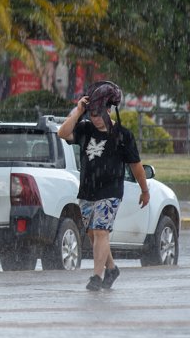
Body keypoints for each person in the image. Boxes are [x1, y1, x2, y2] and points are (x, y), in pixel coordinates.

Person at [57, 81, 149, 291]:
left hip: (111, 191)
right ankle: (112, 268)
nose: (94, 118)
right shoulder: (85, 129)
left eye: (97, 114)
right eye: (91, 114)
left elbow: (136, 165)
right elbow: (62, 133)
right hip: (88, 190)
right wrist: (79, 111)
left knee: (101, 231)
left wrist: (145, 190)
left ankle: (96, 277)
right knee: (92, 233)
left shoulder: (123, 136)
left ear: (109, 110)